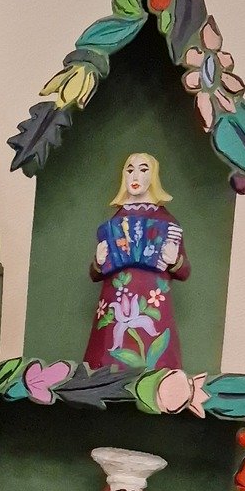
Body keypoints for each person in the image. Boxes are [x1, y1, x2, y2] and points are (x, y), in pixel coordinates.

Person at [83, 151, 189, 371]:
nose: (135, 176)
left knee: (153, 350)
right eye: (130, 170)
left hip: (153, 297)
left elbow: (184, 270)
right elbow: (95, 273)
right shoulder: (115, 221)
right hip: (115, 297)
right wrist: (98, 261)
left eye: (143, 170)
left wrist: (174, 260)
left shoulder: (166, 221)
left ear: (153, 177)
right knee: (110, 348)